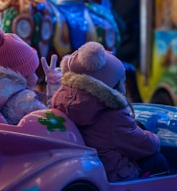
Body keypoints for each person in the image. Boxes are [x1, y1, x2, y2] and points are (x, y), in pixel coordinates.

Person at [51, 41, 170, 182]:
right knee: (158, 160)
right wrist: (155, 137)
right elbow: (145, 145)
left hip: (88, 170)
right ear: (112, 85)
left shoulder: (60, 100)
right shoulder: (112, 113)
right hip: (115, 174)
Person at [0, 26, 60, 125]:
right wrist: (54, 88)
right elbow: (52, 123)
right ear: (22, 75)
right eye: (32, 71)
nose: (36, 76)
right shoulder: (24, 101)